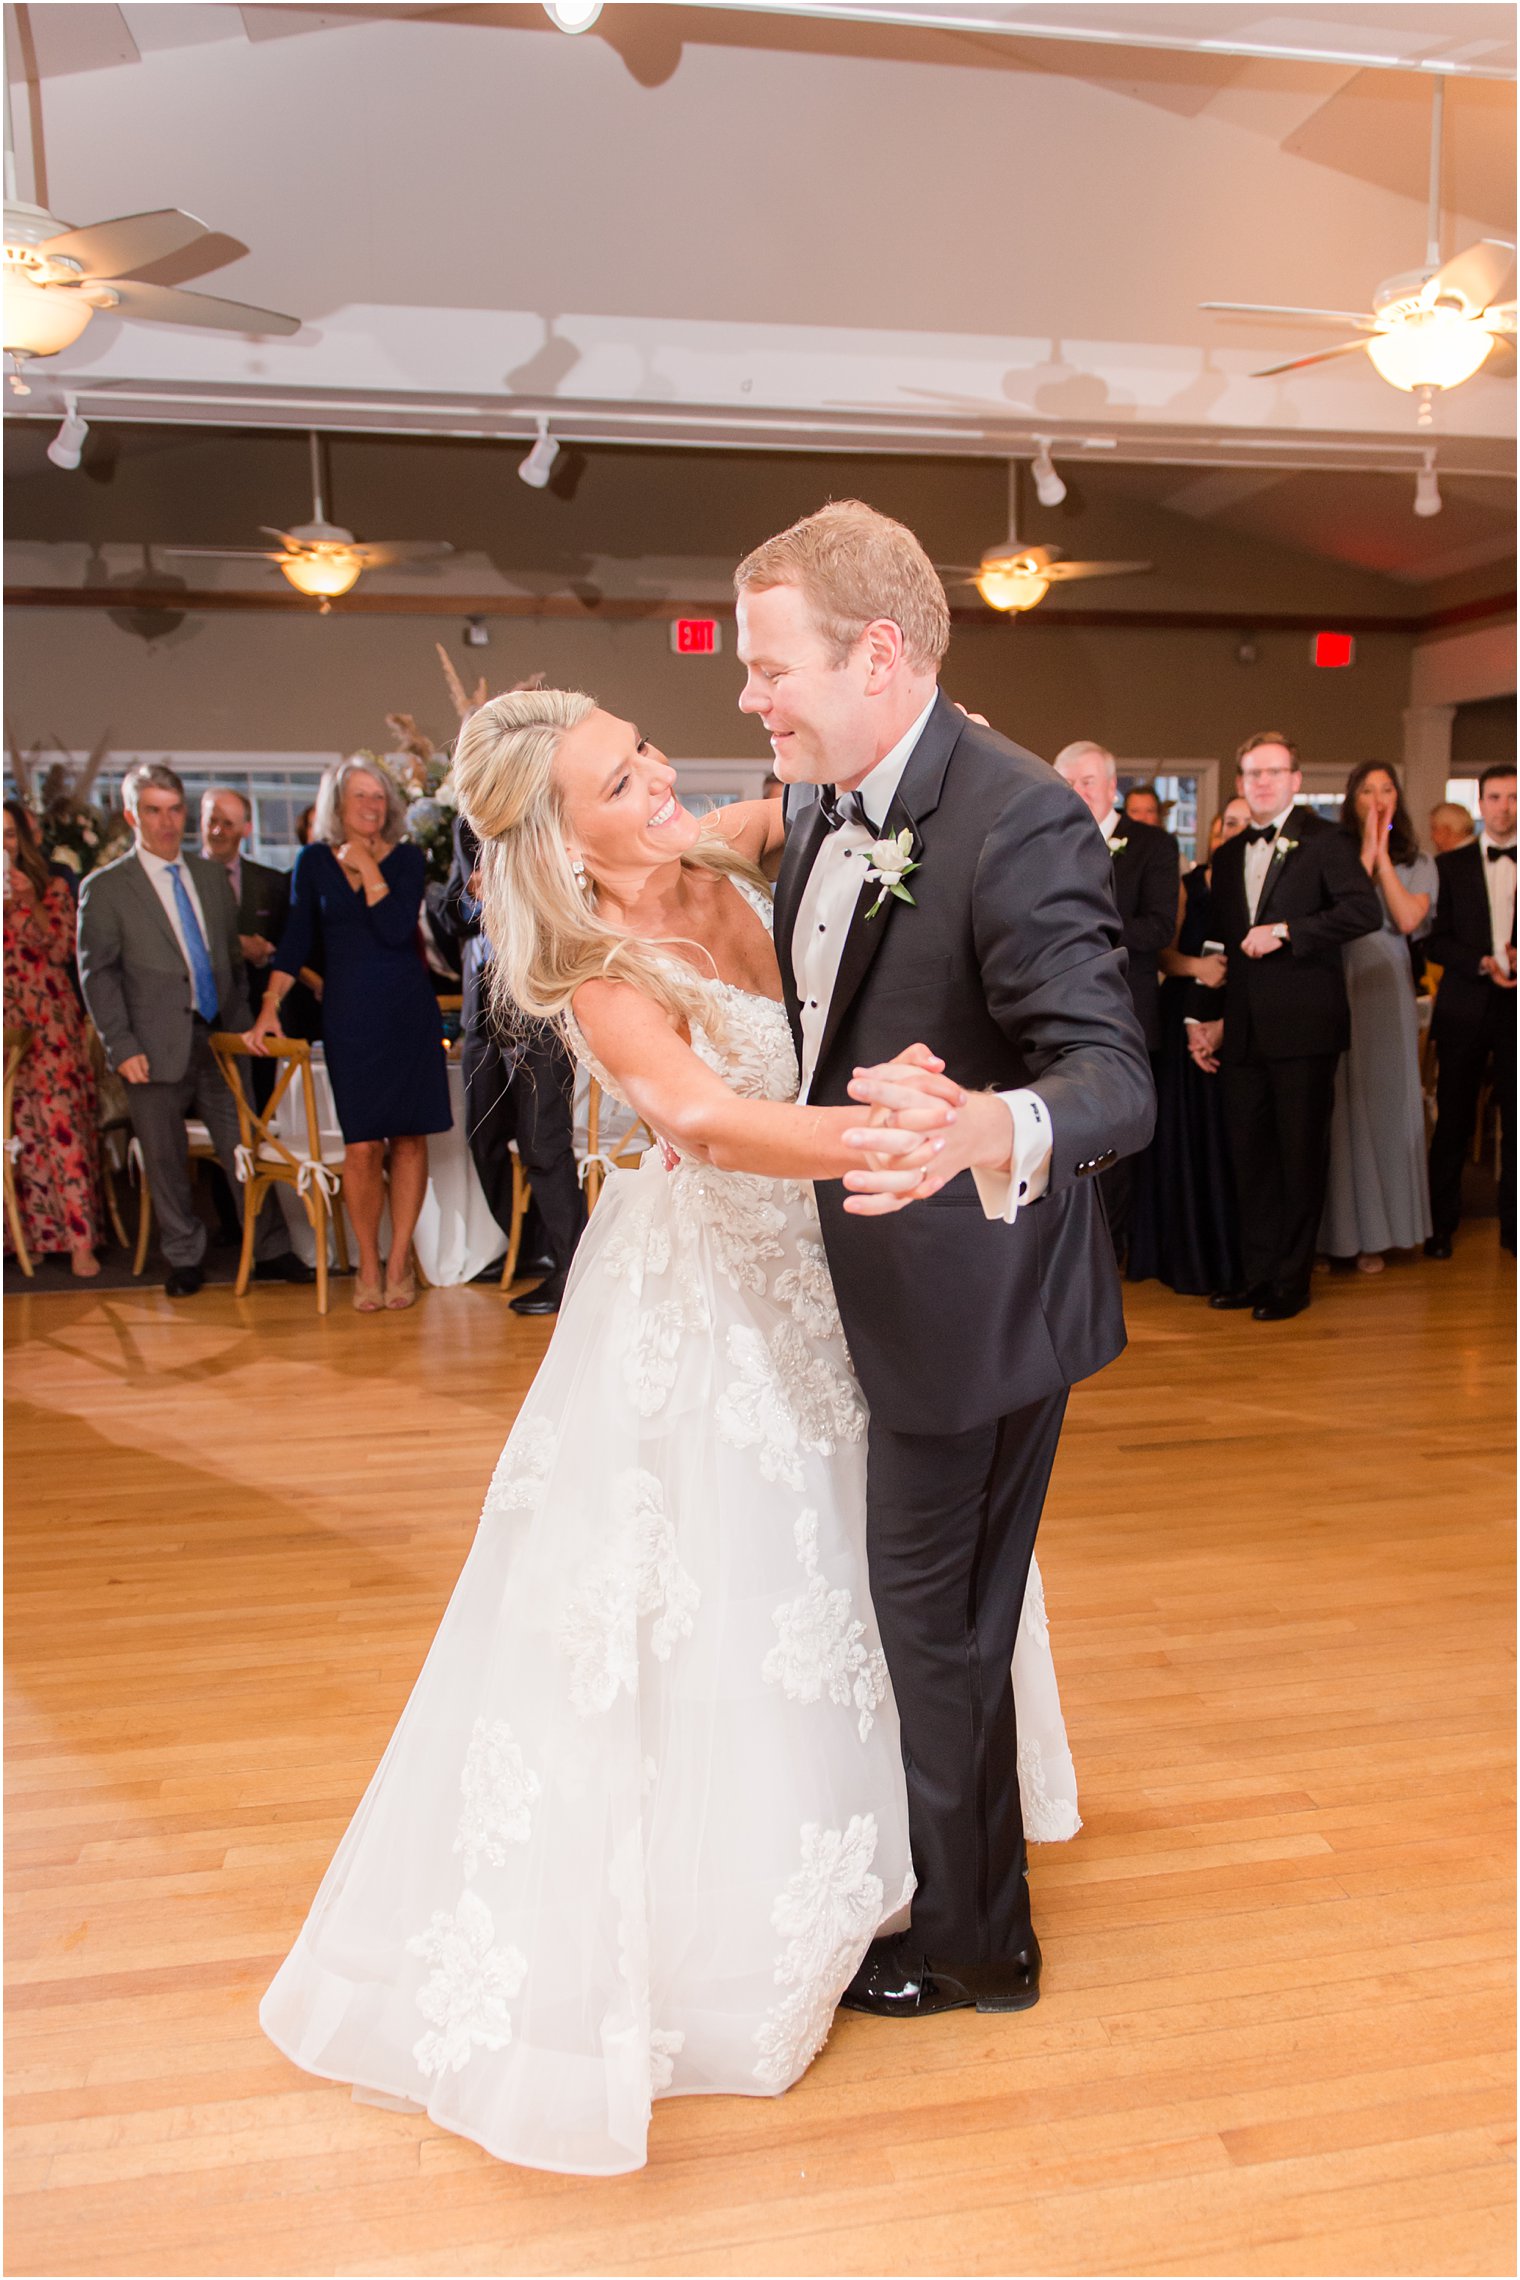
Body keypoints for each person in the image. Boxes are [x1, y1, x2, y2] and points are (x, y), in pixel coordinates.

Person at [261, 683, 1085, 2174]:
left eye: (645, 758)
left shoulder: (736, 846)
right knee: (740, 1580)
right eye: (619, 787)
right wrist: (905, 1138)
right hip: (712, 1276)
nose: (659, 790)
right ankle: (770, 1883)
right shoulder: (581, 959)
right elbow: (701, 1122)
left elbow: (886, 786)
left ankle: (935, 1860)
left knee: (885, 1561)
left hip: (848, 1273)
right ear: (556, 842)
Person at [737, 503, 1152, 2019]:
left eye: (772, 665)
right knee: (930, 1618)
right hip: (873, 1290)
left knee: (939, 1620)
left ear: (881, 654)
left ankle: (979, 1942)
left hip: (977, 1306)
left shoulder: (1019, 814)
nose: (751, 696)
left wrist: (993, 1121)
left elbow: (1115, 1078)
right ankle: (956, 1893)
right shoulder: (823, 799)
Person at [75, 764, 307, 1297]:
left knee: (244, 1148)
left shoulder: (208, 876)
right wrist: (120, 1045)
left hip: (221, 1037)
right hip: (149, 1046)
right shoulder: (106, 889)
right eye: (153, 810)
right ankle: (184, 1256)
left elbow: (229, 961)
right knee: (164, 1155)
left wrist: (243, 1026)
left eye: (174, 809)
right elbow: (98, 976)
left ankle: (269, 1248)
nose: (166, 822)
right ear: (133, 815)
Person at [1186, 731, 1380, 1320]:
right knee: (1250, 1159)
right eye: (1251, 773)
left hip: (1304, 1030)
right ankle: (1255, 1274)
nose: (1261, 782)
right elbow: (1220, 944)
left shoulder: (1326, 841)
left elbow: (1362, 910)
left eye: (1272, 772)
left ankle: (1291, 1284)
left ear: (1296, 779)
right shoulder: (1226, 853)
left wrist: (1290, 931)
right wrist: (1207, 1018)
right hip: (1242, 1031)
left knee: (1299, 1159)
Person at [248, 757, 451, 1313]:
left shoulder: (409, 858)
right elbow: (294, 942)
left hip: (408, 1011)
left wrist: (365, 862)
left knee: (410, 1138)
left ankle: (398, 1260)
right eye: (359, 796)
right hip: (350, 1016)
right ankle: (366, 1258)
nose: (370, 806)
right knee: (362, 1146)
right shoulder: (313, 861)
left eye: (379, 797)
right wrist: (270, 1006)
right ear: (337, 804)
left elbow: (392, 930)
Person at [443, 809, 585, 1313]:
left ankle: (572, 1269)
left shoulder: (546, 816)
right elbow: (449, 917)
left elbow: (575, 899)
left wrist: (507, 888)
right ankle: (532, 1249)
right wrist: (470, 892)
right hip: (481, 1012)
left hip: (541, 1004)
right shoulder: (466, 829)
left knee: (543, 1141)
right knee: (482, 1136)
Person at [1052, 740, 1179, 1262]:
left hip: (1127, 1007)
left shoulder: (1151, 845)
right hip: (1056, 1007)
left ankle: (1113, 1248)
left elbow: (1158, 926)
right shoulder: (1048, 837)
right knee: (1069, 1123)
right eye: (1069, 783)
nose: (1078, 793)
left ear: (1111, 787)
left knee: (1119, 1128)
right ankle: (1074, 1247)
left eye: (1088, 783)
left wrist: (1083, 934)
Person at [1126, 796, 1249, 1295]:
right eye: (1228, 825)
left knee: (1232, 1142)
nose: (1235, 833)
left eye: (1245, 824)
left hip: (1243, 1017)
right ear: (1215, 835)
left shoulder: (1266, 889)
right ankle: (1184, 1255)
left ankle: (1235, 1257)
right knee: (1185, 1139)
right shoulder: (1189, 884)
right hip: (1182, 1022)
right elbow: (1160, 949)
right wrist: (1197, 968)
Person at [1319, 763, 1437, 1272]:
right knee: (1337, 1106)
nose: (1378, 796)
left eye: (1386, 787)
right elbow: (1342, 908)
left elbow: (1407, 918)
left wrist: (1384, 857)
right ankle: (1331, 1237)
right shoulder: (1331, 853)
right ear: (1352, 797)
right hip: (1336, 973)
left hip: (1386, 984)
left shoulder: (1420, 860)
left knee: (1385, 1104)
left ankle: (1381, 1235)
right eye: (1367, 789)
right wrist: (1363, 852)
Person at [3, 799, 102, 1276]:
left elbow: (62, 947)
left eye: (7, 833)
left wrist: (25, 904)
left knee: (60, 1128)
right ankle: (25, 1236)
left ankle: (80, 1240)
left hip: (48, 1021)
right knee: (14, 1133)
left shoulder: (54, 886)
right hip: (4, 1023)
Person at [1424, 762, 1516, 1258]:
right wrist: (1481, 961)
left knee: (1517, 1122)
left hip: (1517, 1011)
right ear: (1481, 805)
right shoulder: (1449, 867)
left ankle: (1514, 1228)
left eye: (1514, 797)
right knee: (1454, 1119)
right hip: (1464, 1007)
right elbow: (1435, 943)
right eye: (1496, 797)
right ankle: (1441, 1225)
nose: (1505, 807)